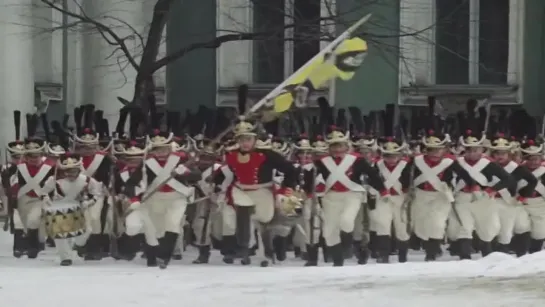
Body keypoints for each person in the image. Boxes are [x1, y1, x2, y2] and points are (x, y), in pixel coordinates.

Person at [219, 117, 296, 266]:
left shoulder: (268, 155)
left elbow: (289, 169)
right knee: (244, 216)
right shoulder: (231, 155)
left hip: (263, 190)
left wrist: (287, 187)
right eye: (241, 140)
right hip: (240, 190)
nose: (244, 143)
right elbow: (226, 173)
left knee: (264, 219)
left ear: (255, 140)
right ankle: (244, 248)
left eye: (248, 139)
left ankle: (267, 251)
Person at [314, 125, 387, 266]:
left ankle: (349, 245)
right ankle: (338, 260)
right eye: (333, 146)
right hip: (331, 196)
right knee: (329, 230)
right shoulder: (321, 162)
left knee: (346, 221)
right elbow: (314, 178)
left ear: (345, 146)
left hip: (352, 194)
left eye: (339, 145)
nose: (336, 149)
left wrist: (382, 190)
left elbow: (372, 175)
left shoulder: (357, 160)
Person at [448, 129, 511, 258]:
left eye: (475, 150)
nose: (472, 153)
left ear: (481, 149)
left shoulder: (489, 164)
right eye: (469, 150)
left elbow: (508, 179)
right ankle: (465, 256)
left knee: (487, 228)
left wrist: (492, 189)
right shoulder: (457, 163)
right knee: (465, 227)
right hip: (463, 197)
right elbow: (447, 178)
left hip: (483, 198)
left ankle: (487, 254)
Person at [40, 153, 102, 266]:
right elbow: (43, 192)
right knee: (60, 234)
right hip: (59, 209)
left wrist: (89, 202)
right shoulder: (54, 180)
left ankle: (77, 245)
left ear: (78, 170)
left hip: (81, 208)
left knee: (87, 230)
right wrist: (46, 200)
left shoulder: (87, 180)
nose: (70, 174)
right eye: (67, 171)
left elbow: (96, 194)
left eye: (73, 171)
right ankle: (65, 257)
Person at [488, 133, 536, 256]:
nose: (500, 156)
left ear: (509, 154)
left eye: (503, 153)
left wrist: (524, 195)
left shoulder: (517, 168)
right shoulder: (487, 167)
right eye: (497, 153)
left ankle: (502, 253)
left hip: (508, 202)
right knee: (491, 227)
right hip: (490, 200)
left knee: (506, 231)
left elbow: (533, 180)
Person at [371, 137, 412, 263]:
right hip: (383, 198)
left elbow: (409, 182)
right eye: (388, 156)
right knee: (382, 225)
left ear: (400, 154)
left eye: (394, 155)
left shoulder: (406, 165)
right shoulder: (377, 165)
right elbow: (373, 181)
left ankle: (403, 256)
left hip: (401, 199)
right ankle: (384, 255)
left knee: (401, 227)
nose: (391, 158)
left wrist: (408, 191)